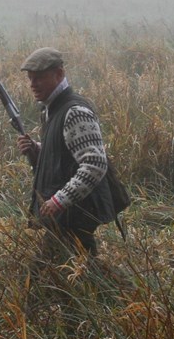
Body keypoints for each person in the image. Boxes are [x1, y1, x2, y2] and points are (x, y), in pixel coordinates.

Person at [16, 47, 116, 262]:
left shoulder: (75, 112)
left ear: (59, 74)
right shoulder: (51, 108)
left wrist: (59, 201)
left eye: (39, 78)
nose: (33, 84)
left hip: (75, 213)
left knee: (55, 275)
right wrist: (37, 149)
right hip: (66, 215)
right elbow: (66, 152)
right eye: (30, 79)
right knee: (75, 274)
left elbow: (95, 163)